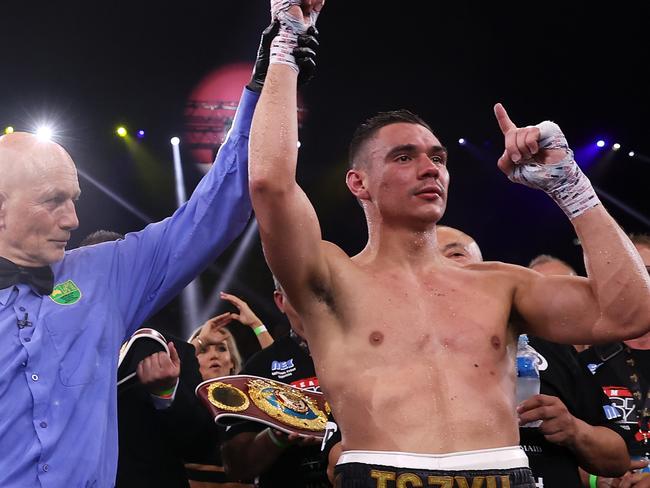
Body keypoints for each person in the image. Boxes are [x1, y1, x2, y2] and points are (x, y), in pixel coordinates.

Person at [247, 1, 650, 485]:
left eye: (438, 156)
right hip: (381, 472)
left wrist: (571, 186)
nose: (430, 167)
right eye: (404, 156)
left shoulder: (501, 283)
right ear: (358, 183)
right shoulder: (331, 276)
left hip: (501, 472)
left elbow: (630, 312)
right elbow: (270, 184)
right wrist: (287, 43)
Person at [0, 19, 275, 487]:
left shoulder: (103, 275)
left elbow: (211, 217)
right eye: (52, 200)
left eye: (74, 200)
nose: (72, 220)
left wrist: (262, 88)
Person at [221, 277, 330, 488]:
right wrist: (277, 435)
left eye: (319, 290)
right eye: (298, 293)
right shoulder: (259, 369)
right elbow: (234, 465)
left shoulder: (366, 355)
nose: (312, 303)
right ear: (281, 301)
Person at [579, 234, 650, 488]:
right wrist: (599, 479)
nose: (637, 283)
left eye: (646, 271)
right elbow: (562, 447)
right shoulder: (582, 363)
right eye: (626, 274)